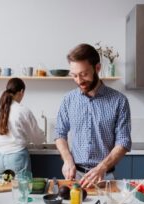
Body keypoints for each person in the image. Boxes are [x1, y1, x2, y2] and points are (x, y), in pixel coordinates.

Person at [55, 43, 131, 188]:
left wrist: (102, 167)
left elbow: (123, 141)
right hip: (75, 176)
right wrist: (67, 159)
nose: (79, 80)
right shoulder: (68, 99)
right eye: (74, 75)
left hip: (105, 176)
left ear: (97, 68)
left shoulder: (119, 101)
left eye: (84, 74)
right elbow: (59, 133)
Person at [0, 77, 46, 179]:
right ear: (21, 91)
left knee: (1, 192)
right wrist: (42, 140)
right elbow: (36, 136)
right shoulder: (23, 110)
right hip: (17, 158)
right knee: (21, 192)